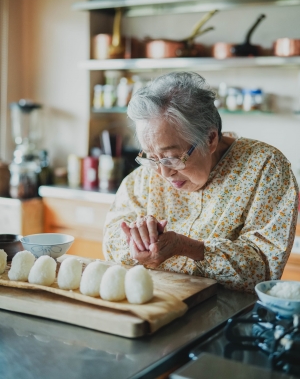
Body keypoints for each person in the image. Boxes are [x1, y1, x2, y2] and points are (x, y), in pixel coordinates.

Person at [103, 72, 298, 292]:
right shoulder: (145, 177)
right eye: (151, 157)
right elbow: (111, 241)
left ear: (210, 139)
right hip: (154, 306)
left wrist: (188, 248)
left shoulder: (265, 168)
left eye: (173, 157)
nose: (163, 172)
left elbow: (262, 269)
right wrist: (134, 243)